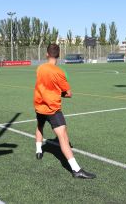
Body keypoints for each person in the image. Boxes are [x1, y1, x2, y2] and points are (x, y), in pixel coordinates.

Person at [34, 43, 96, 179]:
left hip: (39, 105)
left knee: (40, 126)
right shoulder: (59, 72)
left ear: (46, 54)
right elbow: (68, 93)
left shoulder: (40, 68)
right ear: (59, 55)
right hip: (52, 108)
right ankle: (76, 169)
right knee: (63, 136)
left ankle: (39, 150)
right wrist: (60, 92)